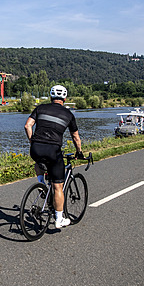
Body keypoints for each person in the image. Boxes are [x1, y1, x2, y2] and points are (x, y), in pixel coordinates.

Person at [24, 85, 84, 229]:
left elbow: (28, 126)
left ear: (51, 97)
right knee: (58, 186)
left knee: (39, 160)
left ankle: (41, 183)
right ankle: (59, 218)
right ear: (64, 98)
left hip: (36, 148)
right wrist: (79, 152)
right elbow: (75, 137)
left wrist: (32, 141)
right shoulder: (68, 114)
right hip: (53, 150)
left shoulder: (40, 108)